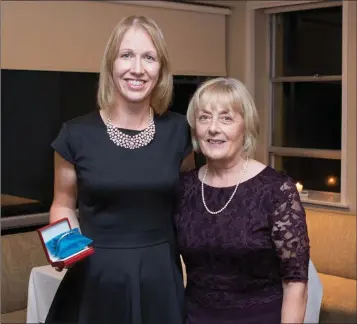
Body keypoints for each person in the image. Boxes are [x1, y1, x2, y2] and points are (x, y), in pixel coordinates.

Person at [45, 15, 194, 324]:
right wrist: (61, 248)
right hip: (95, 277)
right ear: (111, 64)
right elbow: (62, 203)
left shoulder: (180, 131)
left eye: (149, 58)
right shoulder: (75, 134)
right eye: (126, 55)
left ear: (160, 69)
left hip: (160, 279)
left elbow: (187, 204)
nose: (137, 68)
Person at [174, 77, 310, 324]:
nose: (213, 128)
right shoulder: (185, 187)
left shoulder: (276, 189)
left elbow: (295, 282)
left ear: (245, 126)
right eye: (204, 117)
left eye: (226, 118)